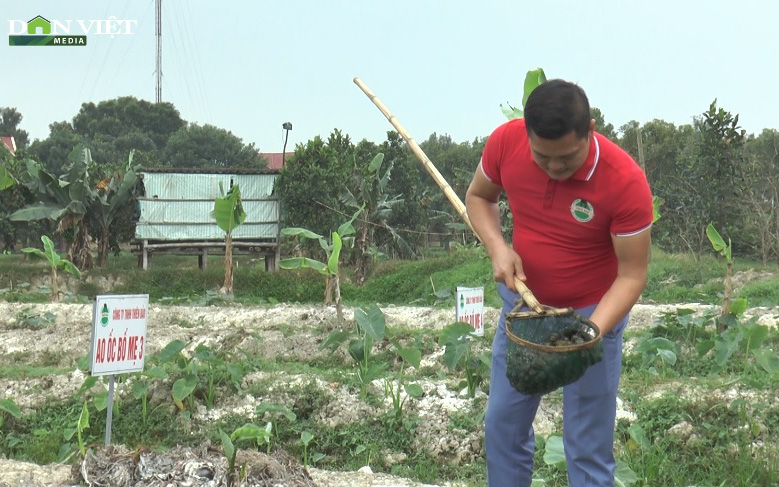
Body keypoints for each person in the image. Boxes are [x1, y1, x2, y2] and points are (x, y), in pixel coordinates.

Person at [465, 79, 653, 486]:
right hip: (525, 314)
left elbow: (632, 274)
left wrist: (587, 335)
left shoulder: (624, 181)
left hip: (589, 318)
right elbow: (479, 197)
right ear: (526, 134)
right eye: (542, 156)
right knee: (503, 425)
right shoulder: (505, 143)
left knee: (586, 444)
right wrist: (498, 247)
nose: (553, 167)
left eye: (566, 158)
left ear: (591, 129)